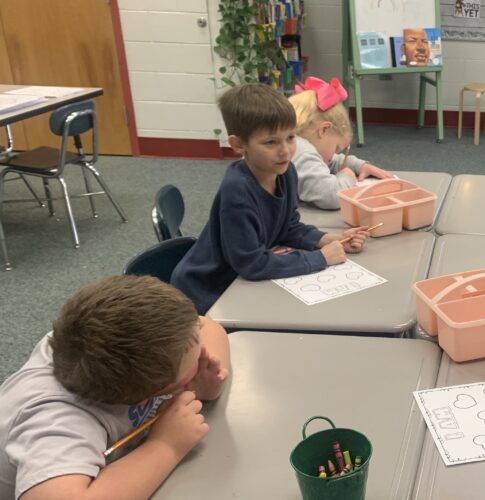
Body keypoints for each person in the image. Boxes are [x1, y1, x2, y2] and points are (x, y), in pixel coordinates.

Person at [0, 275, 231, 499]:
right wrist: (166, 445)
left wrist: (199, 386)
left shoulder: (87, 340)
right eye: (197, 360)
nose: (204, 355)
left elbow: (207, 326)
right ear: (148, 394)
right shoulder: (57, 422)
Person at [171, 84, 371, 314]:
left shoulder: (285, 171)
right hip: (207, 293)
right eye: (271, 142)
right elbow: (251, 264)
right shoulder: (238, 191)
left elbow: (288, 227)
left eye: (290, 137)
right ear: (238, 145)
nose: (285, 150)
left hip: (237, 284)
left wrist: (325, 239)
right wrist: (319, 258)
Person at [288, 77, 392, 210]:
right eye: (336, 148)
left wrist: (359, 165)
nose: (333, 155)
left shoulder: (297, 143)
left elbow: (329, 161)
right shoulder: (303, 152)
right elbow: (330, 197)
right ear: (324, 130)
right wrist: (347, 176)